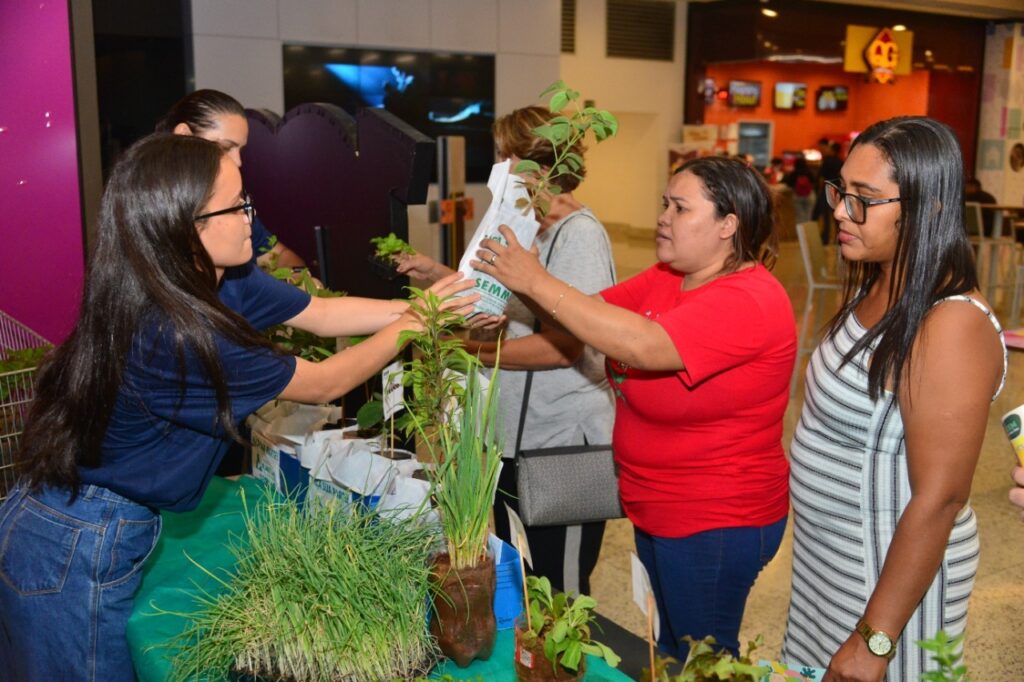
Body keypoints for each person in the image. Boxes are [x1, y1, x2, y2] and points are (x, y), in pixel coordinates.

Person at [0, 133, 475, 680]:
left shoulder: (218, 280)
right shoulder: (178, 331)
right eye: (237, 205)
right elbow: (323, 383)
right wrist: (417, 324)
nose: (254, 217)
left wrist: (422, 305)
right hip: (74, 539)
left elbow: (320, 315)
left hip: (73, 516)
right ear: (186, 226)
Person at [475, 156, 796, 658]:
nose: (663, 216)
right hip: (658, 509)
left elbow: (644, 345)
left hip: (713, 519)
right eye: (664, 203)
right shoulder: (671, 276)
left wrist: (535, 279)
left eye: (681, 207)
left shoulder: (748, 298)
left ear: (727, 224)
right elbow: (590, 316)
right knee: (668, 646)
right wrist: (520, 280)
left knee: (703, 660)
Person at [780, 117, 1006, 682]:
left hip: (888, 588)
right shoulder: (878, 279)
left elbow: (941, 498)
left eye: (865, 200)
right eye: (841, 191)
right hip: (828, 566)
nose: (839, 211)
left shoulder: (950, 323)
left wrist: (874, 641)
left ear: (927, 207)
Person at [395, 105, 616, 596]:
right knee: (523, 579)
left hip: (561, 447)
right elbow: (510, 309)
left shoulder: (579, 235)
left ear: (533, 164)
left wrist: (476, 353)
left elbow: (565, 349)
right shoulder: (526, 228)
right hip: (515, 440)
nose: (498, 169)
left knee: (562, 592)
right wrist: (438, 277)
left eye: (503, 156)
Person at [155, 89, 306, 269]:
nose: (237, 162)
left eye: (240, 150)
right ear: (184, 135)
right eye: (224, 147)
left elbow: (279, 256)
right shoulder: (154, 215)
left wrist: (297, 278)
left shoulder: (229, 203)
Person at [813, 139, 843, 244]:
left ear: (832, 149)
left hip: (826, 190)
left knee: (825, 216)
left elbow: (822, 178)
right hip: (836, 191)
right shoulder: (840, 161)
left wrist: (820, 190)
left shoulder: (827, 160)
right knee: (835, 217)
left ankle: (825, 238)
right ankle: (838, 238)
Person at [784, 155, 816, 224]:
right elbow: (814, 182)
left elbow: (789, 184)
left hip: (797, 196)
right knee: (808, 215)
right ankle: (807, 233)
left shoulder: (794, 173)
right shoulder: (809, 172)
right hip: (809, 195)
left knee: (799, 216)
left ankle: (800, 233)